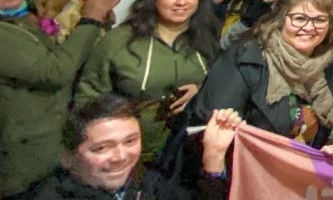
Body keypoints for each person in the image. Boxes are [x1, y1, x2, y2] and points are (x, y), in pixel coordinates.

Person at [0, 0, 124, 197]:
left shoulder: (26, 13)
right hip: (24, 167)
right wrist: (92, 16)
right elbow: (55, 71)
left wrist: (82, 0)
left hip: (57, 149)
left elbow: (57, 33)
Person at [75, 0, 221, 166]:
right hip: (130, 155)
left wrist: (200, 89)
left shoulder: (209, 38)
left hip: (190, 152)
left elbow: (223, 86)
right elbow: (88, 95)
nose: (181, 2)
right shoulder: (120, 40)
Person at [191, 0, 333, 149]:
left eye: (319, 20)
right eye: (299, 18)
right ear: (281, 20)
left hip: (301, 164)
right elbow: (209, 129)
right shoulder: (245, 58)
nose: (309, 27)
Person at [15, 94, 236, 200]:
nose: (121, 156)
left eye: (130, 141)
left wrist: (214, 158)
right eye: (102, 148)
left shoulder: (144, 183)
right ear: (68, 156)